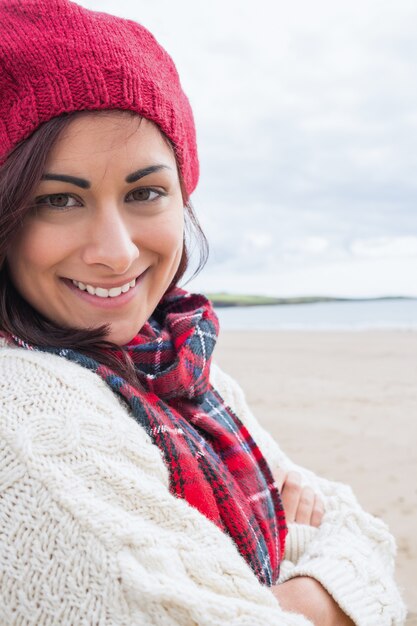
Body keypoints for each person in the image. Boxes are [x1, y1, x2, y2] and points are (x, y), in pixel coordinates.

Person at [0, 1, 406, 624]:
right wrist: (317, 575)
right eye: (59, 199)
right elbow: (354, 544)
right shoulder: (28, 419)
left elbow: (359, 522)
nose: (116, 252)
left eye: (145, 192)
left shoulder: (180, 364)